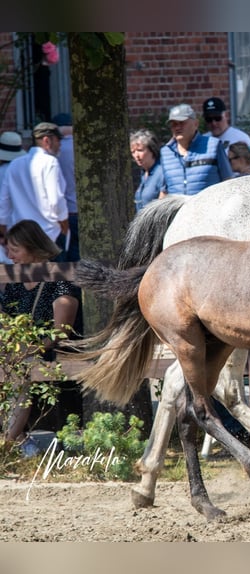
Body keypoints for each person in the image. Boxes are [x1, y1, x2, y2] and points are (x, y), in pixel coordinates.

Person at [0, 220, 80, 455]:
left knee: (20, 371)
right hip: (16, 349)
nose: (9, 255)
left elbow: (60, 330)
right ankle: (20, 441)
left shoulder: (58, 279)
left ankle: (8, 442)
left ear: (32, 247)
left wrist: (30, 348)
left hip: (46, 351)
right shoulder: (15, 281)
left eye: (15, 249)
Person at [0, 122, 68, 259]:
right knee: (55, 276)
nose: (60, 144)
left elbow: (4, 205)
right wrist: (65, 226)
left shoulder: (14, 164)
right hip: (48, 236)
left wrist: (4, 234)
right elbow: (55, 201)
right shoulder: (50, 162)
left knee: (23, 277)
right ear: (47, 140)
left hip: (20, 237)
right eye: (58, 140)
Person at [159, 103, 233, 196]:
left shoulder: (213, 146)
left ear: (195, 124)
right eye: (173, 124)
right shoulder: (165, 152)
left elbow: (228, 182)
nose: (177, 127)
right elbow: (164, 191)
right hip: (178, 210)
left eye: (182, 123)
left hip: (209, 209)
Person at [201, 97, 250, 173]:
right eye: (209, 119)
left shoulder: (241, 137)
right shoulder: (202, 140)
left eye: (217, 118)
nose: (213, 123)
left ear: (226, 115)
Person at [51, 113, 78, 262]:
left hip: (64, 214)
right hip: (82, 209)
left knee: (66, 259)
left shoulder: (56, 152)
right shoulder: (82, 147)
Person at [0, 131, 26, 264]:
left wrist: (2, 230)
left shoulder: (3, 171)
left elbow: (3, 202)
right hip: (25, 223)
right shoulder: (24, 168)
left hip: (8, 224)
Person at [130, 129, 164, 211]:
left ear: (152, 150)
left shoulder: (161, 173)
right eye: (133, 152)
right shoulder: (144, 173)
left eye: (140, 150)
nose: (136, 155)